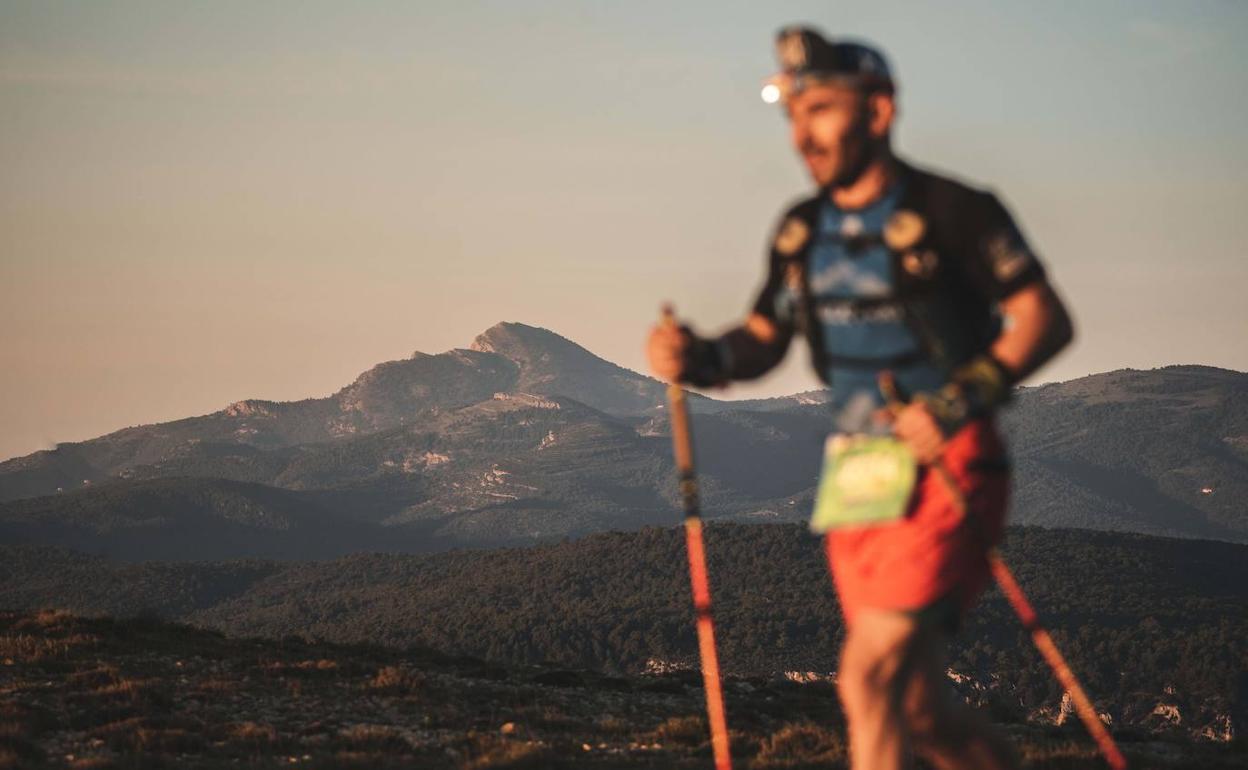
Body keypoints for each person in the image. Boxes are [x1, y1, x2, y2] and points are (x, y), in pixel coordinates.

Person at [647, 26, 1073, 770]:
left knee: (867, 679)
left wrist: (954, 403)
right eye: (792, 114)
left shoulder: (956, 210)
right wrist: (700, 357)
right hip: (857, 477)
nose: (801, 132)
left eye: (820, 109)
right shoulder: (800, 232)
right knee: (921, 711)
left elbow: (1043, 317)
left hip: (948, 465)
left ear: (877, 112)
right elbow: (762, 337)